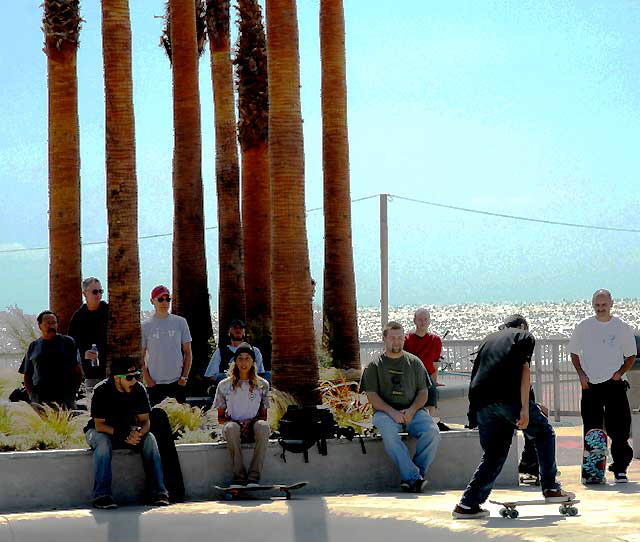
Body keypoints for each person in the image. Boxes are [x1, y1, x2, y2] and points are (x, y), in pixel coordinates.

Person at [453, 315, 573, 519]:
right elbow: (524, 371)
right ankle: (551, 487)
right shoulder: (524, 336)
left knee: (494, 454)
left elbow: (477, 374)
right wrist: (526, 409)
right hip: (507, 398)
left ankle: (467, 504)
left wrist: (473, 415)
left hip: (482, 403)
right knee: (544, 433)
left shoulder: (488, 340)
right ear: (522, 326)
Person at [359, 321, 441, 493]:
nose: (396, 342)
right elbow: (372, 395)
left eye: (399, 338)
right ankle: (414, 477)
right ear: (384, 339)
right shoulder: (374, 366)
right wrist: (392, 412)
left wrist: (411, 411)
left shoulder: (415, 363)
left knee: (432, 432)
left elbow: (423, 392)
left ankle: (413, 475)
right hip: (385, 413)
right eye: (392, 338)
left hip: (414, 411)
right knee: (389, 435)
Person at [568, 289, 636, 483]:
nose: (600, 309)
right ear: (593, 305)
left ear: (611, 304)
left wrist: (620, 373)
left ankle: (620, 468)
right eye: (597, 305)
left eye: (604, 305)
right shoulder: (583, 326)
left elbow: (631, 355)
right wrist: (581, 374)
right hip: (590, 385)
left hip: (614, 384)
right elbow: (574, 352)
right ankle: (593, 470)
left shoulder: (621, 327)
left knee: (620, 428)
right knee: (592, 430)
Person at [84, 356, 170, 509]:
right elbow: (100, 425)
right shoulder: (101, 390)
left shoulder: (138, 389)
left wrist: (139, 434)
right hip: (101, 431)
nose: (134, 381)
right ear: (117, 378)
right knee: (103, 443)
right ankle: (102, 496)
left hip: (128, 432)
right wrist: (124, 434)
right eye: (130, 377)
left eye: (136, 376)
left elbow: (145, 421)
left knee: (150, 439)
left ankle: (159, 493)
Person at [213, 342, 271, 486]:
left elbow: (263, 416)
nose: (243, 362)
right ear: (235, 361)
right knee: (231, 428)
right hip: (234, 426)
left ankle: (253, 477)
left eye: (247, 358)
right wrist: (237, 423)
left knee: (263, 427)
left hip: (253, 426)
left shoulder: (262, 384)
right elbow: (221, 418)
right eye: (240, 358)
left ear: (253, 361)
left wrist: (250, 422)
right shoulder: (224, 385)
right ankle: (239, 476)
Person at [19, 310, 83, 409]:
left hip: (64, 397)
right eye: (48, 323)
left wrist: (73, 393)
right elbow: (27, 374)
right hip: (40, 398)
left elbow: (77, 370)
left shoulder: (67, 342)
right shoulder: (34, 346)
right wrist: (31, 396)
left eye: (54, 323)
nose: (51, 326)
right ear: (40, 326)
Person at [141, 285, 192, 406]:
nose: (164, 302)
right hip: (155, 384)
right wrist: (148, 379)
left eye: (167, 299)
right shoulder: (145, 326)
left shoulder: (180, 322)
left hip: (177, 382)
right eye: (160, 299)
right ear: (152, 301)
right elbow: (141, 356)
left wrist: (184, 378)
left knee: (181, 422)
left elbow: (188, 352)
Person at [403, 308, 446, 426]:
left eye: (426, 319)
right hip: (412, 374)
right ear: (414, 321)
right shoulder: (407, 339)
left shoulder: (435, 340)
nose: (423, 322)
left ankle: (429, 419)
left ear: (429, 321)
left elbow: (435, 364)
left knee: (430, 387)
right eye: (420, 319)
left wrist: (435, 381)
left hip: (428, 375)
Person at [68, 277, 108, 393]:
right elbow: (71, 345)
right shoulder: (78, 317)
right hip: (91, 373)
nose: (98, 295)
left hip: (112, 370)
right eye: (95, 292)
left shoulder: (108, 311)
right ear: (84, 294)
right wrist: (84, 353)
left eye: (101, 291)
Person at [204, 319, 271, 387]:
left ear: (244, 332)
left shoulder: (254, 351)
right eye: (235, 328)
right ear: (229, 331)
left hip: (250, 381)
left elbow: (260, 372)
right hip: (230, 382)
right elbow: (211, 375)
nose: (238, 330)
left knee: (269, 375)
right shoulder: (221, 351)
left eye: (241, 328)